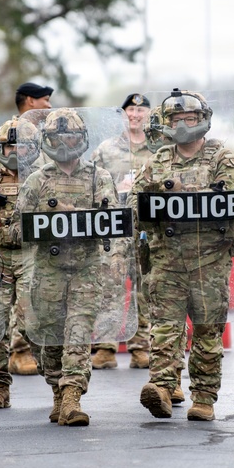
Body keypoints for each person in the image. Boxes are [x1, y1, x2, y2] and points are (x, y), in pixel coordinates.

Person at [132, 89, 234, 422]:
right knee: (164, 329)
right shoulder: (157, 161)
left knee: (208, 332)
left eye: (190, 118)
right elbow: (135, 206)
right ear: (167, 124)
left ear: (203, 119)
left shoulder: (223, 158)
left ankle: (204, 398)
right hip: (166, 260)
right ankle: (162, 388)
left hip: (208, 262)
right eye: (176, 119)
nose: (183, 125)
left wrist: (179, 195)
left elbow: (232, 201)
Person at [11, 108, 120, 426]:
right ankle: (57, 389)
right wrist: (48, 221)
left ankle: (72, 396)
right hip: (48, 271)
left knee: (78, 332)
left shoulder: (99, 178)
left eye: (70, 136)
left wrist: (79, 217)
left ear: (81, 139)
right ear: (47, 140)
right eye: (57, 136)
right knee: (49, 338)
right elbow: (15, 231)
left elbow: (113, 221)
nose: (64, 142)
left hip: (87, 269)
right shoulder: (37, 180)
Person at [0, 116, 42, 409]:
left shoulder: (43, 176)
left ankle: (56, 382)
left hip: (32, 255)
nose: (16, 152)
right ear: (0, 149)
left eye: (23, 146)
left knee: (34, 321)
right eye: (10, 147)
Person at [90, 93, 153, 370]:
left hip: (146, 229)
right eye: (130, 110)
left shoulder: (159, 149)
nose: (135, 115)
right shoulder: (106, 150)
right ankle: (106, 348)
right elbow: (91, 184)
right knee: (110, 287)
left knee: (145, 287)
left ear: (148, 115)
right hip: (114, 229)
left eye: (141, 110)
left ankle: (141, 347)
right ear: (123, 114)